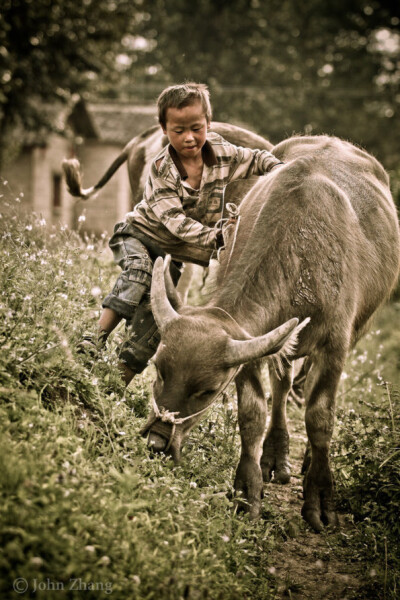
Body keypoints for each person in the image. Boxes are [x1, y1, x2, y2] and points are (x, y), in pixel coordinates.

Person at [79, 82, 284, 385]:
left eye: (196, 128)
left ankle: (113, 386)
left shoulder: (223, 154)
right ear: (163, 129)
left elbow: (255, 158)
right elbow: (175, 221)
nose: (189, 138)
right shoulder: (162, 168)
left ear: (208, 124)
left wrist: (279, 170)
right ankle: (93, 341)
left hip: (170, 256)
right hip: (138, 236)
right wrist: (214, 237)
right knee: (138, 274)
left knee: (156, 322)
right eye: (178, 131)